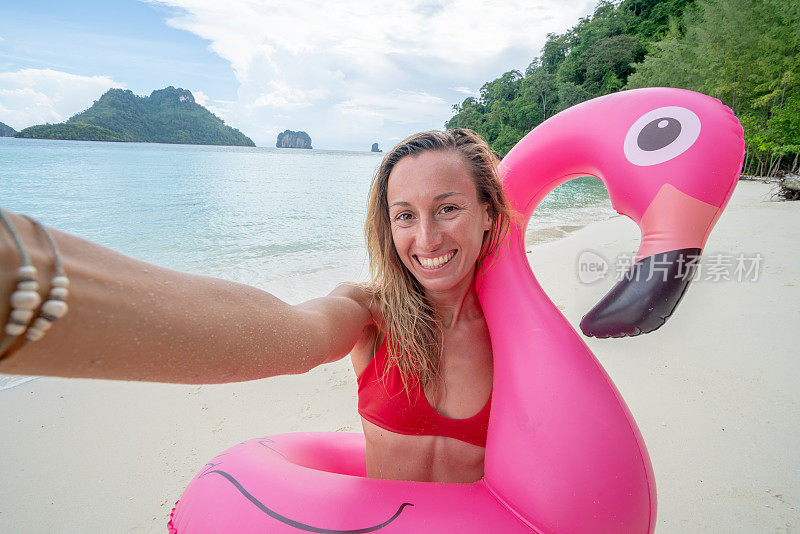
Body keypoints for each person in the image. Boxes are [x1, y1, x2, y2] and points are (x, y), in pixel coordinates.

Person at [0, 128, 514, 483]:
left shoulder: (518, 331)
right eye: (405, 216)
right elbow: (292, 332)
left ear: (487, 213)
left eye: (447, 208)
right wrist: (28, 278)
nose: (426, 238)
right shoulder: (369, 313)